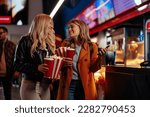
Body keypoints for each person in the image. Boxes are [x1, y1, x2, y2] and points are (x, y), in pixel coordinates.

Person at [57, 19, 106, 100]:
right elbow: (58, 65)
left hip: (85, 85)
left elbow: (93, 68)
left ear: (81, 28)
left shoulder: (92, 46)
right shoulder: (64, 45)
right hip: (68, 84)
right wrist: (63, 64)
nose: (69, 29)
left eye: (72, 27)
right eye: (68, 27)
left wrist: (100, 57)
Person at [14, 13, 55, 100]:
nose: (52, 27)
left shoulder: (49, 42)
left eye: (52, 24)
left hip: (46, 86)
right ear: (42, 24)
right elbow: (17, 64)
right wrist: (36, 68)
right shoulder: (25, 40)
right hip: (30, 85)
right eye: (49, 24)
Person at [0, 26, 16, 100]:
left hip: (8, 74)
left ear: (6, 33)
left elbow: (16, 59)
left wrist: (16, 71)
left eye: (0, 33)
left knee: (7, 95)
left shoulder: (12, 45)